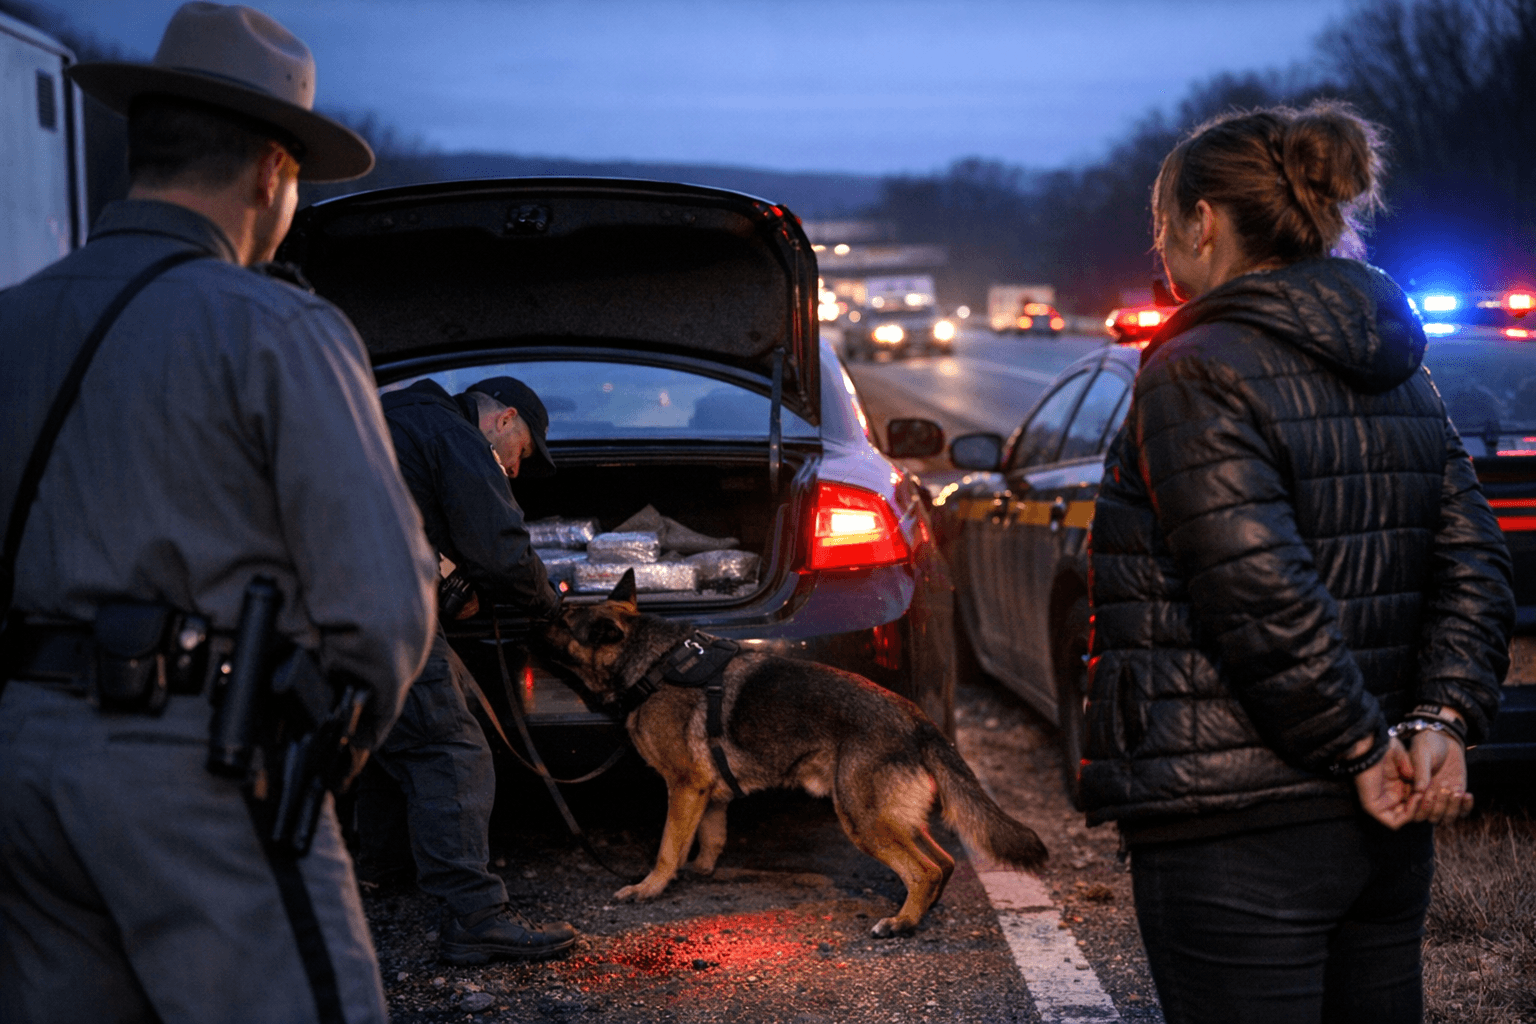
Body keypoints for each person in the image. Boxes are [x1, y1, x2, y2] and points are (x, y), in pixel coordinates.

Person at [0, 5, 438, 1023]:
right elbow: (381, 604)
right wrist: (328, 749)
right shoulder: (278, 328)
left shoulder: (12, 326)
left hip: (20, 772)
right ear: (271, 176)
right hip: (199, 765)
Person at [1083, 100, 1513, 1024]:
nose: (1162, 251)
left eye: (1163, 227)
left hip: (1236, 819)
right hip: (1386, 816)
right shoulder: (1399, 361)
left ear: (1203, 223)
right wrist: (1440, 719)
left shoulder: (1196, 364)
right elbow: (1473, 554)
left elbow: (1257, 589)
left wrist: (1355, 746)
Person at [367, 373, 576, 964]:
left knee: (388, 728)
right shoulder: (455, 436)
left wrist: (447, 578)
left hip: (330, 595)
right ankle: (474, 917)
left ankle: (384, 868)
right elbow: (501, 548)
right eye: (522, 455)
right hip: (384, 605)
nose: (514, 470)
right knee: (449, 748)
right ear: (504, 420)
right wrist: (548, 609)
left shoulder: (395, 417)